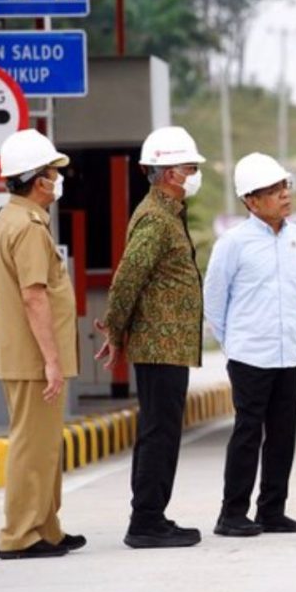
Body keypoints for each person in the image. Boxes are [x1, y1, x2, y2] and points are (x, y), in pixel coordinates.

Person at [95, 126, 205, 549]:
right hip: (159, 345)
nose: (196, 174)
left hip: (169, 345)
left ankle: (151, 515)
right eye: (191, 167)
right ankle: (146, 520)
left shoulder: (167, 215)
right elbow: (127, 278)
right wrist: (116, 329)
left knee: (161, 430)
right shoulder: (156, 219)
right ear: (172, 174)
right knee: (159, 431)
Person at [0, 129, 84, 559]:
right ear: (37, 180)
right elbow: (34, 295)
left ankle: (46, 527)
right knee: (31, 446)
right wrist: (51, 359)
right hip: (32, 359)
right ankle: (20, 535)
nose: (57, 180)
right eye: (52, 173)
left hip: (28, 357)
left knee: (45, 446)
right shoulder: (26, 228)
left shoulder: (13, 219)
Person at [204, 153, 296, 537]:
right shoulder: (233, 243)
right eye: (273, 190)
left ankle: (272, 510)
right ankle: (231, 513)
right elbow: (214, 300)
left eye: (285, 186)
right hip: (250, 354)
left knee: (283, 435)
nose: (284, 195)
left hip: (289, 352)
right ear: (250, 201)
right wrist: (234, 344)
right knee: (248, 433)